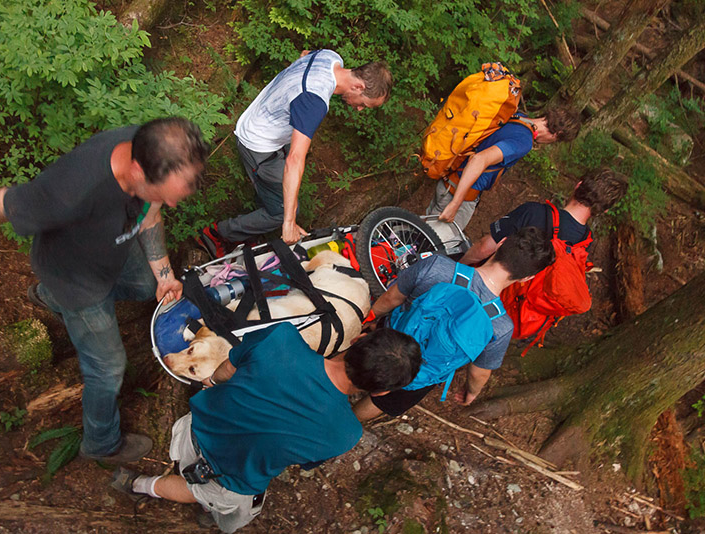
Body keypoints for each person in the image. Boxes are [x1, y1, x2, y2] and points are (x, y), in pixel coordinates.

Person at [0, 118, 208, 463]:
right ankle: (101, 443)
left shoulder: (156, 148)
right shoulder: (68, 191)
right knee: (109, 367)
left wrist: (164, 274)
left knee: (143, 286)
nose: (170, 205)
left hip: (113, 251)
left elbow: (151, 212)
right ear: (137, 171)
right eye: (164, 196)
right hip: (75, 279)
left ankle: (48, 298)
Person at [110, 323, 421, 533]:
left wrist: (213, 381)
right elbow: (299, 459)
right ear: (380, 392)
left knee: (193, 475)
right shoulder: (345, 435)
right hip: (227, 479)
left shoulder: (282, 338)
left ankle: (137, 483)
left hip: (191, 430)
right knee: (207, 497)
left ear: (358, 339)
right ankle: (154, 490)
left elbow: (227, 369)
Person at [196, 49, 393, 257]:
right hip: (258, 143)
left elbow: (303, 54)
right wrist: (289, 222)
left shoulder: (330, 57)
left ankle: (261, 210)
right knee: (282, 211)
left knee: (281, 188)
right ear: (358, 86)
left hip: (268, 124)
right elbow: (295, 160)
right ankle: (216, 234)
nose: (360, 109)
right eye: (364, 104)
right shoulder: (313, 101)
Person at [353, 227, 555, 422]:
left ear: (500, 243)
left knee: (355, 367)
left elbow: (392, 298)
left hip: (389, 337)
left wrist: (370, 319)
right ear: (527, 278)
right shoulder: (501, 326)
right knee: (384, 402)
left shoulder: (438, 266)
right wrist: (471, 393)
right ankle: (346, 418)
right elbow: (480, 372)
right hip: (417, 376)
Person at [428, 106, 581, 232]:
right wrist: (456, 203)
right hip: (460, 194)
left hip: (448, 182)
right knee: (432, 250)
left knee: (418, 237)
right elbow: (479, 159)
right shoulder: (524, 140)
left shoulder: (515, 116)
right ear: (557, 134)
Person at [459, 168, 627, 266]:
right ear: (604, 210)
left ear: (578, 185)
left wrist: (458, 266)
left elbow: (484, 248)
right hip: (511, 309)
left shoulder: (534, 212)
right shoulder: (584, 244)